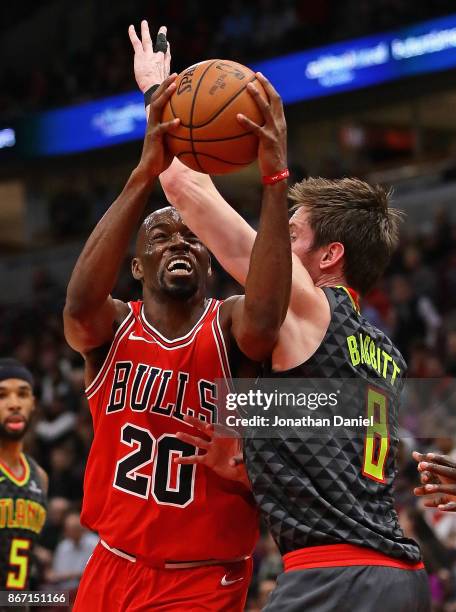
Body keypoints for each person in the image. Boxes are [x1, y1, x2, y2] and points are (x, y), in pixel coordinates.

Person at [134, 24, 431, 611]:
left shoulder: (306, 302)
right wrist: (238, 431)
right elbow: (319, 428)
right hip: (400, 578)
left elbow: (182, 186)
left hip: (332, 577)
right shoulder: (385, 355)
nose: (278, 246)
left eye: (291, 235)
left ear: (329, 257)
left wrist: (156, 90)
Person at [65, 25, 291, 612]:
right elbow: (78, 308)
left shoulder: (230, 325)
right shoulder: (113, 329)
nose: (180, 243)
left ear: (211, 267)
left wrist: (273, 183)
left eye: (193, 238)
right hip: (111, 563)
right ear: (136, 266)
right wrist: (144, 172)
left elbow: (267, 318)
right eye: (161, 236)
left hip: (202, 576)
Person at [0, 359, 48, 594]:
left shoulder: (39, 476)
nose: (14, 405)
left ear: (33, 404)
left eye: (23, 394)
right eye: (2, 395)